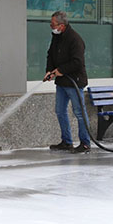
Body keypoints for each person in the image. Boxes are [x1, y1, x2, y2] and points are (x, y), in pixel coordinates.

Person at [45, 11, 91, 154]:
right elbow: (50, 54)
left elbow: (77, 62)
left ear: (62, 26)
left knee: (79, 112)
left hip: (75, 82)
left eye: (53, 24)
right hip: (62, 82)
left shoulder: (75, 40)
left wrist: (61, 70)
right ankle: (66, 142)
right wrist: (49, 71)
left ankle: (85, 143)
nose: (51, 27)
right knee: (60, 111)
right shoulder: (56, 37)